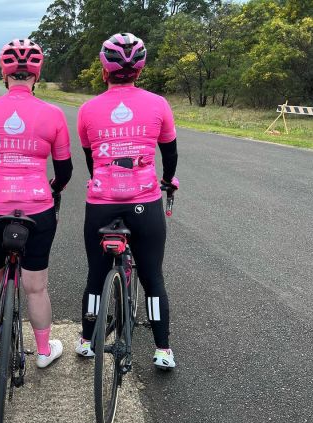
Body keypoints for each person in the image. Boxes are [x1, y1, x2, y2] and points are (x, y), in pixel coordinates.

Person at [0, 39, 73, 368]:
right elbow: (64, 171)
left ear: (4, 74)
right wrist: (50, 187)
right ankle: (43, 352)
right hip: (37, 207)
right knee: (35, 287)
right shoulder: (52, 114)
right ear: (36, 76)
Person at [76, 33, 179, 369]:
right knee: (152, 276)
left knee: (96, 272)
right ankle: (162, 349)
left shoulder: (87, 110)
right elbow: (170, 155)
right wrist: (167, 181)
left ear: (105, 71)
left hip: (102, 200)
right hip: (144, 201)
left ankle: (85, 341)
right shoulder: (159, 104)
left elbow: (92, 162)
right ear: (140, 70)